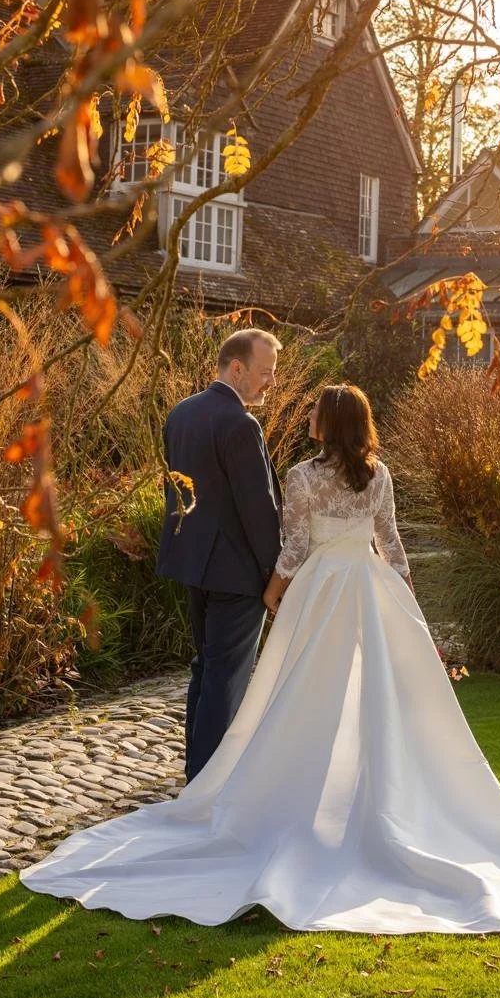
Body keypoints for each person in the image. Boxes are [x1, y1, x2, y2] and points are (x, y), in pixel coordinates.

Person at [22, 384, 500, 934]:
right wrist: (405, 596)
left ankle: (299, 795)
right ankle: (368, 801)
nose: (308, 422)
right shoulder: (379, 474)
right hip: (369, 586)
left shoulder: (302, 475)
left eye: (317, 414)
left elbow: (295, 544)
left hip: (323, 589)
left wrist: (272, 588)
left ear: (329, 423)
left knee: (303, 693)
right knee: (373, 695)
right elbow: (392, 543)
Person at [156, 328, 282, 781]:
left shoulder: (181, 413)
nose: (271, 383)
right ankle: (207, 782)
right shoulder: (240, 424)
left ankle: (197, 773)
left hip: (194, 564)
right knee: (225, 678)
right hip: (237, 574)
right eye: (265, 373)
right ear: (237, 368)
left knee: (206, 669)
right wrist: (277, 576)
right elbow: (259, 510)